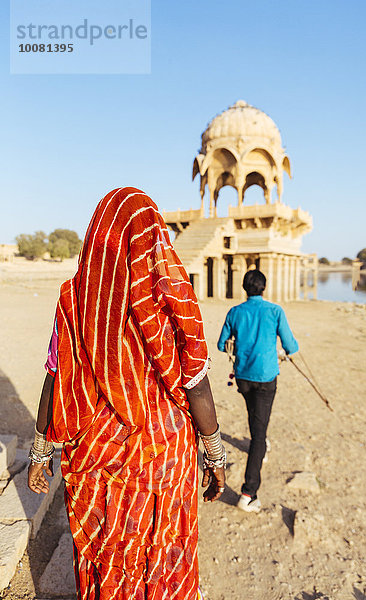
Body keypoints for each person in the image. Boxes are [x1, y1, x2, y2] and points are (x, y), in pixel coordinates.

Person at [27, 187, 225, 600]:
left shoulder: (74, 300)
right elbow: (196, 381)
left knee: (106, 551)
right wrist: (215, 455)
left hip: (96, 451)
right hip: (164, 454)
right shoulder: (173, 297)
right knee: (163, 550)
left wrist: (41, 453)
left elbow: (55, 377)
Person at [217, 269, 298, 513]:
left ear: (244, 288)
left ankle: (259, 444)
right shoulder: (275, 311)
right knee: (259, 435)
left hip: (243, 378)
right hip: (265, 378)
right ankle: (248, 494)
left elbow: (222, 344)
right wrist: (281, 352)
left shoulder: (235, 312)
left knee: (255, 416)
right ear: (264, 287)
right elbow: (291, 346)